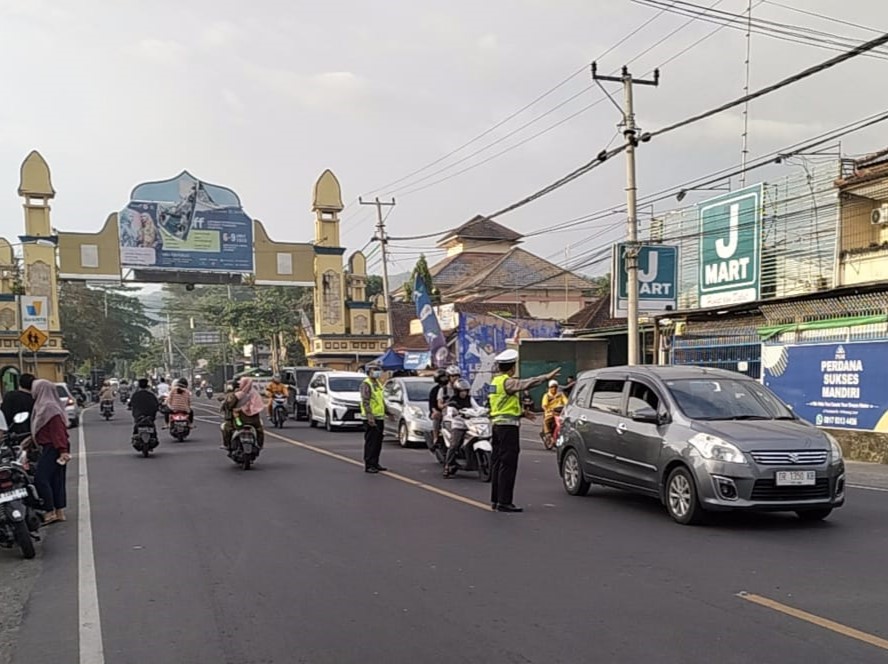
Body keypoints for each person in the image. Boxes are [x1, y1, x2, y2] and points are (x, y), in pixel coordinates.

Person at [488, 349, 559, 513]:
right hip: (508, 429)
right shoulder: (508, 382)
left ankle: (496, 500)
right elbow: (527, 383)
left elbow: (500, 405)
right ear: (512, 368)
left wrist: (522, 413)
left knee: (498, 463)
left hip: (497, 426)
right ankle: (505, 502)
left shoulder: (495, 382)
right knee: (508, 464)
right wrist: (546, 378)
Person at [30, 379, 70, 525]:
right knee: (56, 479)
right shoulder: (45, 405)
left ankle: (49, 511)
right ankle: (59, 511)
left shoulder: (48, 407)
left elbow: (57, 430)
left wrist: (62, 450)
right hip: (54, 446)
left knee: (41, 478)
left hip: (53, 447)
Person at [442, 378, 474, 478]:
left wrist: (483, 411)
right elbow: (450, 412)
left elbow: (477, 407)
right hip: (458, 425)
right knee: (454, 445)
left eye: (466, 391)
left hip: (471, 425)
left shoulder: (470, 399)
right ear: (457, 391)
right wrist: (457, 413)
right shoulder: (453, 401)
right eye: (462, 391)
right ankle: (447, 465)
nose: (464, 393)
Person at [223, 377, 265, 451]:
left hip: (239, 420)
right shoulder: (255, 394)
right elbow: (259, 406)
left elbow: (229, 406)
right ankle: (259, 445)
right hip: (254, 421)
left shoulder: (237, 395)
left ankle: (227, 445)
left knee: (227, 428)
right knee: (260, 430)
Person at [360, 362, 387, 474]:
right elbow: (366, 402)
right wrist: (370, 417)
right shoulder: (366, 384)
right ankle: (369, 464)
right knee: (371, 442)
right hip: (371, 418)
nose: (377, 372)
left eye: (378, 369)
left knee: (378, 442)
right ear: (369, 371)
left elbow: (381, 400)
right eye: (374, 370)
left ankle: (375, 463)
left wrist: (387, 411)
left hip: (379, 416)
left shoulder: (377, 383)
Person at [428, 368, 449, 449]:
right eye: (442, 377)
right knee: (437, 416)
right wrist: (436, 411)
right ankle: (435, 437)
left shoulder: (452, 388)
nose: (444, 379)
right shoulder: (435, 390)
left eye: (445, 377)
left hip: (451, 411)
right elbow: (432, 405)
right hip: (439, 411)